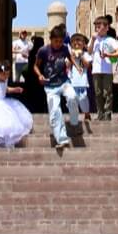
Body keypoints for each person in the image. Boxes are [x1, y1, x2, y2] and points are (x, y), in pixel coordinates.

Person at [39, 23, 84, 152]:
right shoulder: (43, 51)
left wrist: (78, 67)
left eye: (60, 41)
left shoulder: (64, 49)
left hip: (64, 82)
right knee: (55, 112)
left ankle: (74, 121)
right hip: (50, 86)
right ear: (51, 39)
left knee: (72, 97)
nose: (58, 43)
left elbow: (71, 58)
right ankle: (62, 139)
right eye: (56, 41)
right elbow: (36, 66)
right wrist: (40, 75)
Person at [90, 14, 118, 119]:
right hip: (96, 70)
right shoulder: (94, 39)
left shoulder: (111, 40)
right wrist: (93, 40)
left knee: (107, 93)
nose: (98, 29)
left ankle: (107, 113)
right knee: (98, 93)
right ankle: (100, 113)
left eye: (100, 26)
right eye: (96, 27)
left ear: (107, 27)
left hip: (107, 70)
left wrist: (108, 55)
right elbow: (89, 51)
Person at [67, 29, 94, 121]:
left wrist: (81, 56)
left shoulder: (86, 54)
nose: (76, 44)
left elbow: (87, 65)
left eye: (79, 42)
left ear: (83, 44)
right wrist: (72, 58)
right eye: (74, 42)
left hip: (82, 82)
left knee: (83, 99)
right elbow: (67, 65)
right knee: (71, 99)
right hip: (72, 81)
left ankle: (86, 113)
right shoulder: (70, 55)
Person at [21, 33, 48, 115]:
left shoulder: (32, 52)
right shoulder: (40, 53)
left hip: (32, 77)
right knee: (39, 95)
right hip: (37, 77)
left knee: (33, 95)